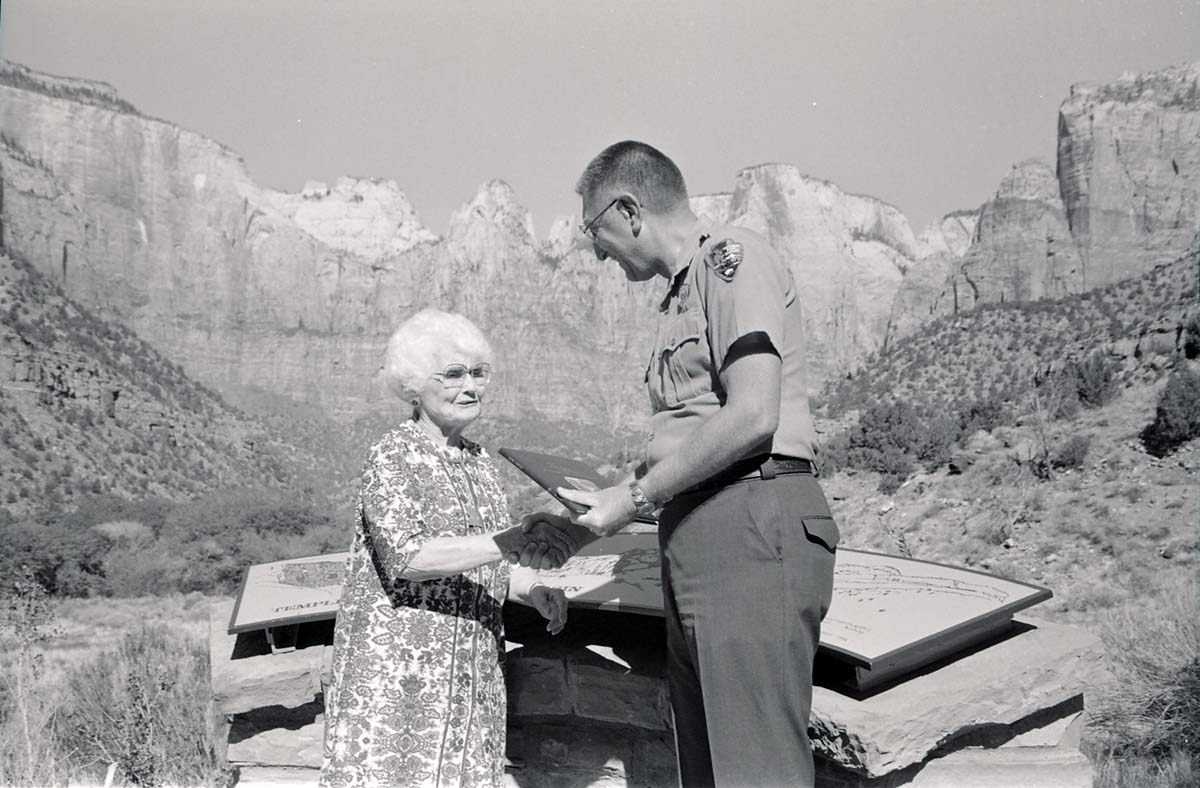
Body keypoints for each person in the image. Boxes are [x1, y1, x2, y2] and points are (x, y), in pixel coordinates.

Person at [535, 141, 840, 788]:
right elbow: (687, 439)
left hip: (749, 522)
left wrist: (634, 499)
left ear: (629, 210)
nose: (597, 252)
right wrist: (588, 520)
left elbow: (753, 413)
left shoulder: (731, 260)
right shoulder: (679, 295)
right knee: (707, 771)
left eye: (594, 231)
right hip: (703, 531)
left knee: (754, 773)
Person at [319, 308, 574, 788]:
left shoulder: (479, 462)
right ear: (414, 385)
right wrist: (508, 539)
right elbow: (408, 556)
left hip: (471, 680)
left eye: (478, 373)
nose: (471, 387)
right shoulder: (393, 453)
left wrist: (534, 588)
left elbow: (491, 560)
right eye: (454, 374)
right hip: (398, 678)